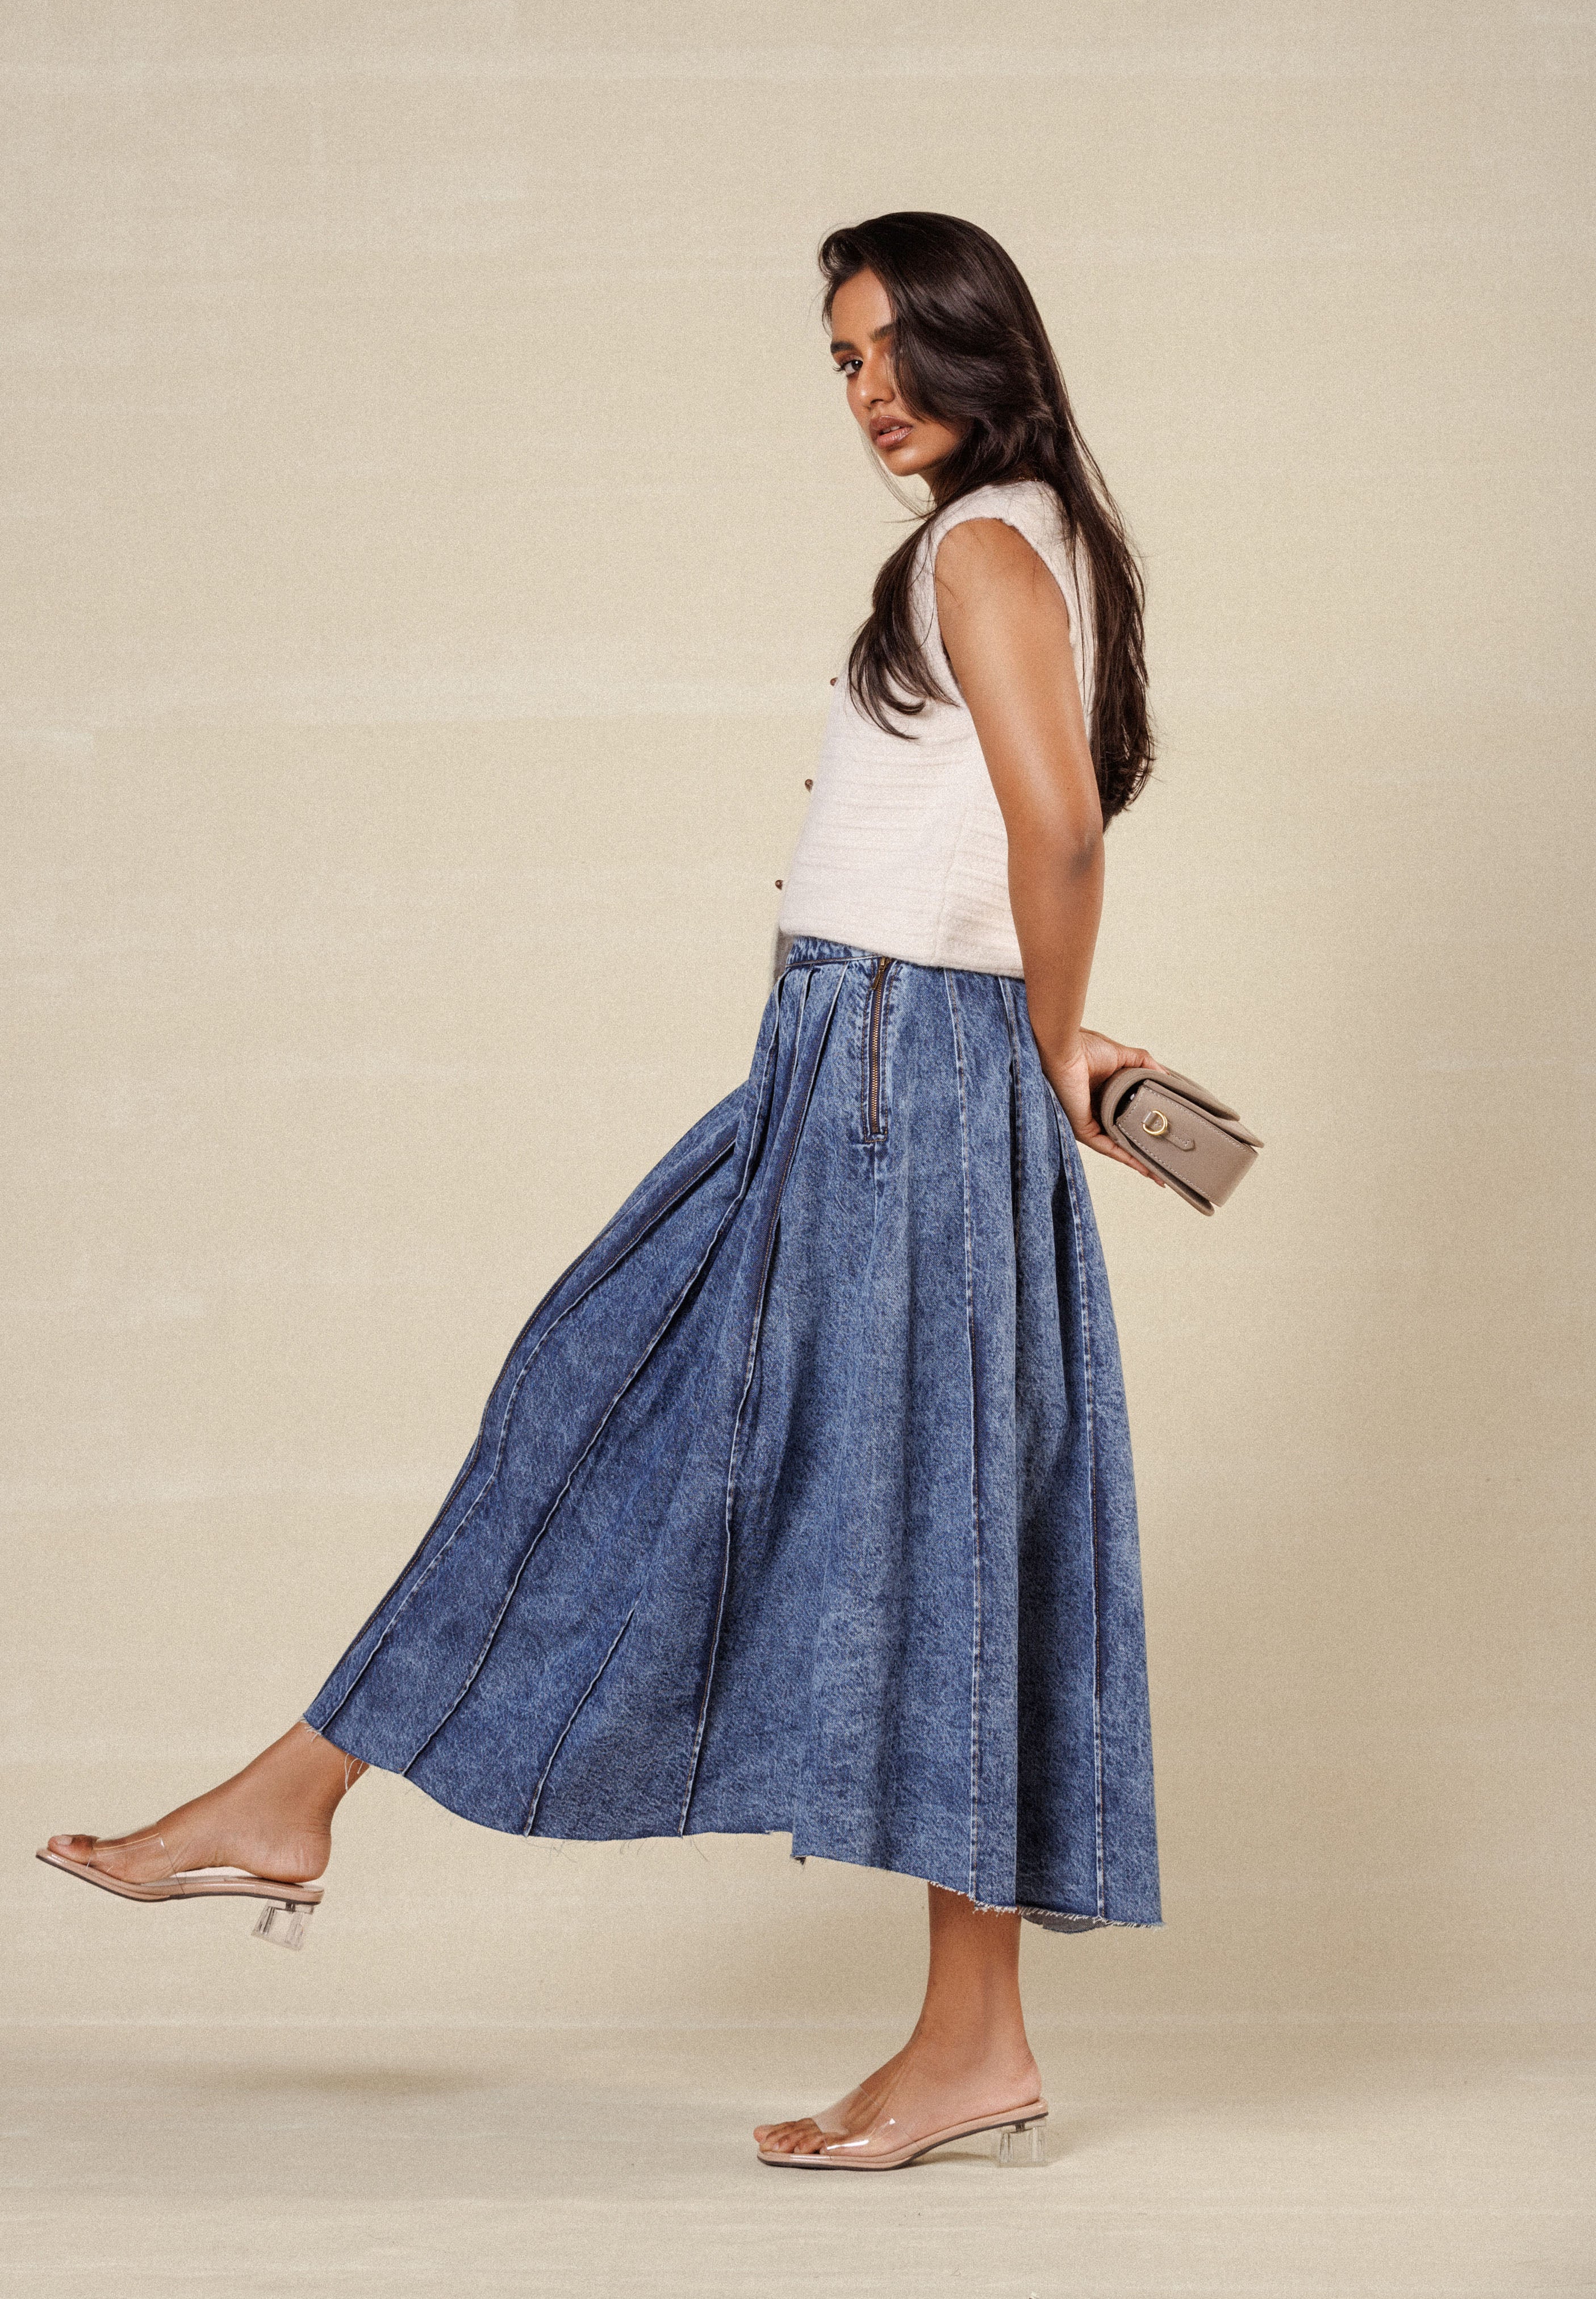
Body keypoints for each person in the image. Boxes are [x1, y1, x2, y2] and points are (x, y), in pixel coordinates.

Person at [39, 211, 1165, 2173]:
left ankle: (958, 2037)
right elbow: (1007, 845)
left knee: (861, 1509)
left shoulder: (979, 549)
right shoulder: (1029, 541)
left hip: (889, 1074)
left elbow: (1055, 831)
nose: (870, 389)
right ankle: (303, 1789)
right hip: (869, 1067)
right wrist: (1032, 1040)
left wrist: (1041, 1042)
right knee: (824, 1483)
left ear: (984, 340)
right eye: (843, 359)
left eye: (897, 344)